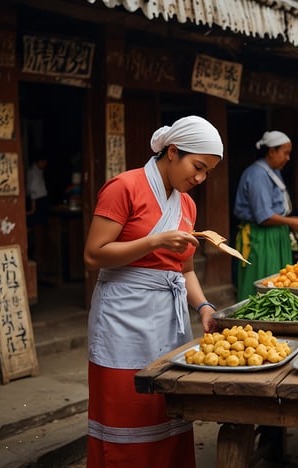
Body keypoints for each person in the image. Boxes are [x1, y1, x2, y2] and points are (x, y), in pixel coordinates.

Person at [83, 115, 223, 468]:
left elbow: (184, 268)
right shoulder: (123, 187)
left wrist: (204, 306)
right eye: (198, 166)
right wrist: (154, 241)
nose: (200, 178)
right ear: (173, 152)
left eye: (208, 172)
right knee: (126, 408)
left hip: (166, 320)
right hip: (122, 316)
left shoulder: (186, 204)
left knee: (166, 409)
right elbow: (93, 254)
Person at [233, 130, 298, 301]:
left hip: (275, 234)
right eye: (285, 153)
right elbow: (263, 216)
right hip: (261, 236)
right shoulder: (257, 174)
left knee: (278, 282)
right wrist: (290, 221)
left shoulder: (273, 171)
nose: (288, 158)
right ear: (272, 151)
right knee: (262, 282)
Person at [26, 153, 50, 260]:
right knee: (37, 230)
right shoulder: (33, 172)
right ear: (39, 162)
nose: (45, 164)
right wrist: (33, 207)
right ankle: (37, 256)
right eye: (43, 162)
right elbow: (32, 191)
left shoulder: (38, 171)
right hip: (37, 203)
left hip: (41, 201)